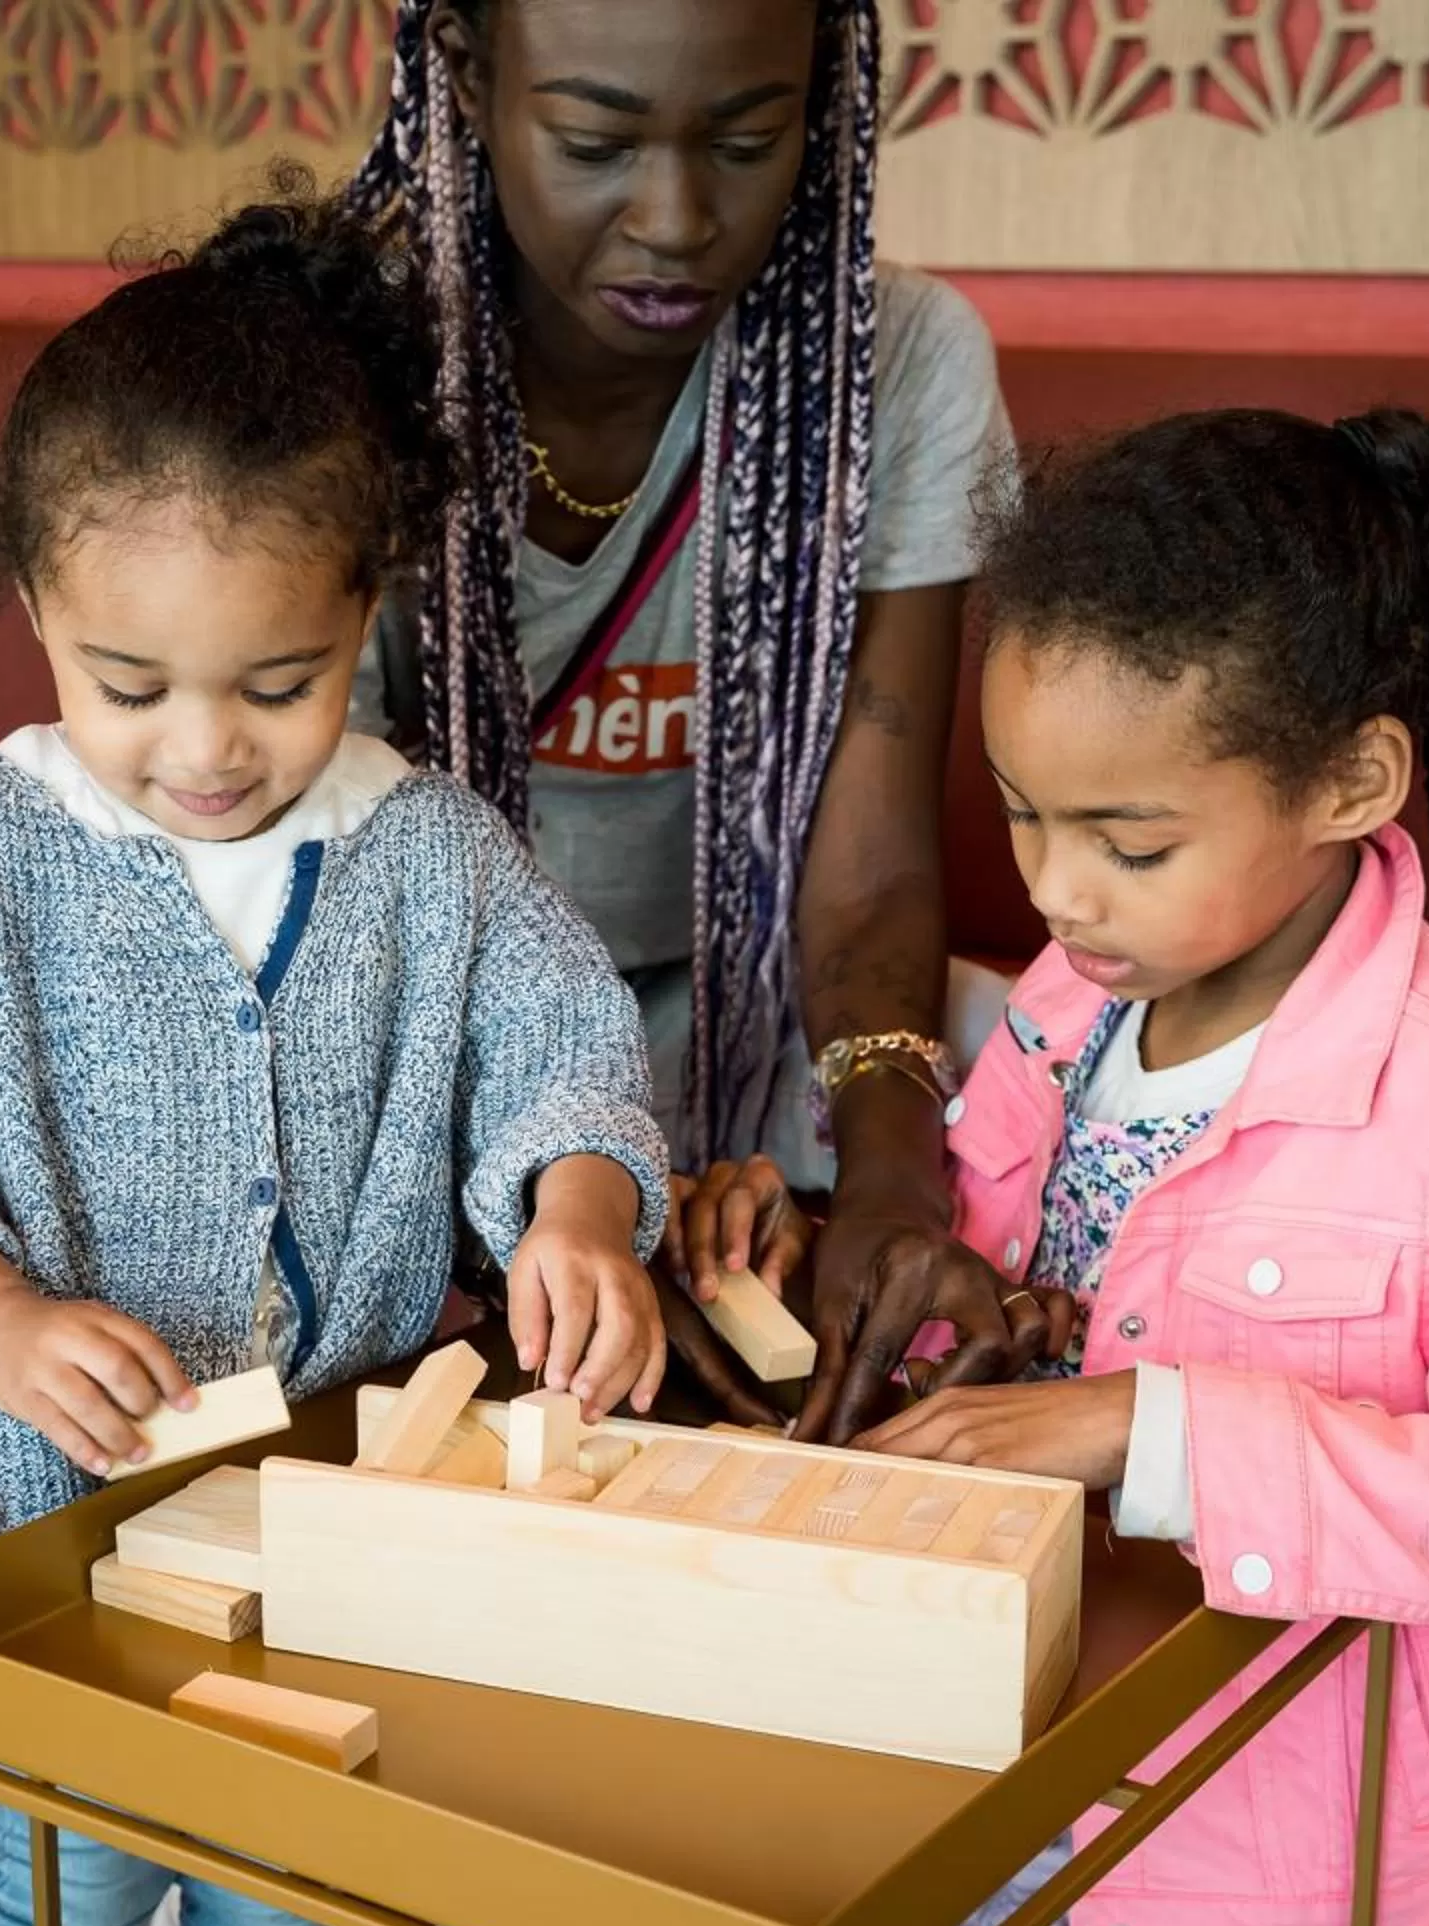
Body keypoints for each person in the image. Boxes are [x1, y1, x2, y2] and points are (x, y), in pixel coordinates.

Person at [0, 179, 670, 1926]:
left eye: (283, 682)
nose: (204, 751)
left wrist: (579, 1197)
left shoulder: (428, 851)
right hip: (51, 1510)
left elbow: (558, 1033)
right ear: (33, 606)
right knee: (68, 1878)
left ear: (371, 605)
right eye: (128, 684)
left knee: (284, 1868)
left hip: (318, 1499)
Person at [728, 408, 1429, 1926]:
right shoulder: (1069, 1002)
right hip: (974, 1823)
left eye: (1129, 841)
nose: (1055, 890)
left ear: (1352, 781)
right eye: (1022, 812)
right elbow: (996, 1320)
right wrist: (829, 1265)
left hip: (1261, 1917)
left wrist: (1155, 1429)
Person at [343, 0, 1021, 1436]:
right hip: (417, 1099)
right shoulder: (335, 381)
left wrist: (894, 1193)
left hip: (771, 1088)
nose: (675, 217)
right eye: (596, 139)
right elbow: (309, 903)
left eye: (745, 139)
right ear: (468, 75)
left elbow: (877, 870)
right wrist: (571, 1192)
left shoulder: (899, 367)